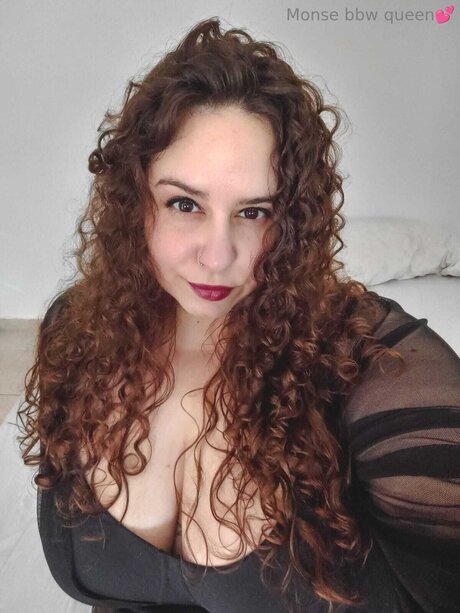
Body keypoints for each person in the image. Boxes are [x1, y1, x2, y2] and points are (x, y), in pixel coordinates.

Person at [17, 16, 460, 613]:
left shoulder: (382, 369)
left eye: (254, 213)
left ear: (294, 221)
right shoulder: (80, 331)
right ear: (133, 203)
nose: (218, 255)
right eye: (184, 204)